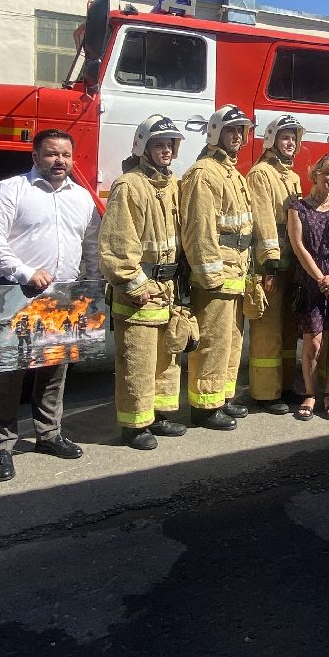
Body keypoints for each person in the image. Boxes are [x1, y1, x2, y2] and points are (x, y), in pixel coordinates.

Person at [0, 128, 100, 481]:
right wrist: (25, 271)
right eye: (51, 154)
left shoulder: (82, 197)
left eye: (65, 155)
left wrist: (92, 284)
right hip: (20, 292)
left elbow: (91, 243)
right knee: (9, 375)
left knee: (54, 370)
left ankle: (48, 434)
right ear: (35, 157)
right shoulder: (10, 190)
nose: (59, 161)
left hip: (65, 295)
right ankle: (1, 446)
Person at [100, 115, 189, 450]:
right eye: (158, 144)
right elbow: (117, 246)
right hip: (140, 292)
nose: (165, 151)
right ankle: (135, 426)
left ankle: (160, 414)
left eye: (169, 145)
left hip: (168, 288)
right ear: (142, 147)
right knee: (137, 360)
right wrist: (136, 285)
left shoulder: (172, 185)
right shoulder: (129, 185)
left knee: (166, 358)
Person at [179, 104, 256, 430]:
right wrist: (209, 274)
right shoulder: (204, 173)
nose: (238, 136)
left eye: (241, 130)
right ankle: (204, 407)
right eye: (231, 130)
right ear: (215, 133)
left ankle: (221, 397)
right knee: (211, 341)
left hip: (235, 272)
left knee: (231, 340)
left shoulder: (232, 173)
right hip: (217, 274)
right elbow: (199, 230)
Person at [287, 154, 329, 420]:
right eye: (328, 173)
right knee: (313, 342)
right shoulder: (298, 208)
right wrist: (321, 279)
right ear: (315, 174)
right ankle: (310, 393)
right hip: (311, 279)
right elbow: (299, 247)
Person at [245, 114, 305, 414]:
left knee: (287, 330)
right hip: (271, 264)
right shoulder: (261, 174)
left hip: (291, 264)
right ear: (271, 141)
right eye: (285, 137)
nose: (291, 142)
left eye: (294, 137)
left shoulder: (291, 177)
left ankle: (284, 386)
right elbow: (265, 222)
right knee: (267, 330)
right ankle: (265, 393)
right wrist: (269, 264)